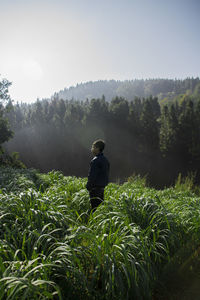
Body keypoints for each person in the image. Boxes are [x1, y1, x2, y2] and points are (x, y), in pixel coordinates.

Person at [86, 139, 110, 212]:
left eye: (93, 147)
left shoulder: (95, 160)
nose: (92, 149)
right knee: (99, 210)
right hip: (102, 188)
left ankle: (93, 223)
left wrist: (88, 186)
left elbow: (92, 176)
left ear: (98, 148)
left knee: (94, 209)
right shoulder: (105, 160)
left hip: (94, 189)